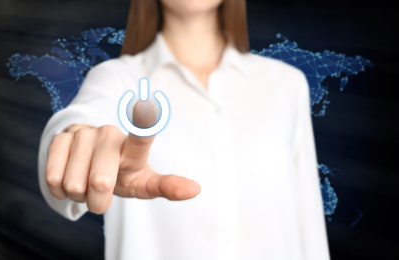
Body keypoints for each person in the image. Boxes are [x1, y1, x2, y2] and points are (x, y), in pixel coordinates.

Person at [38, 0, 330, 259]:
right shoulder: (116, 80)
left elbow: (309, 223)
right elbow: (82, 121)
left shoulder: (286, 84)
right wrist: (77, 140)